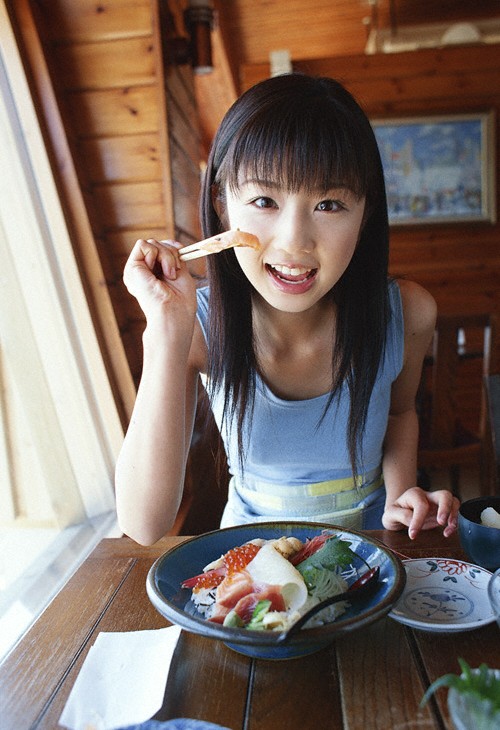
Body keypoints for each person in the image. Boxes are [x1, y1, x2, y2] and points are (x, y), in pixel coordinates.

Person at [115, 73, 459, 545]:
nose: (295, 240)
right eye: (264, 200)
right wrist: (164, 328)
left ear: (365, 214)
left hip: (370, 550)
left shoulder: (408, 312)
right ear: (222, 205)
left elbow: (400, 414)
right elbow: (143, 525)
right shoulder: (196, 324)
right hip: (249, 560)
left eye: (329, 204)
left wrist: (401, 497)